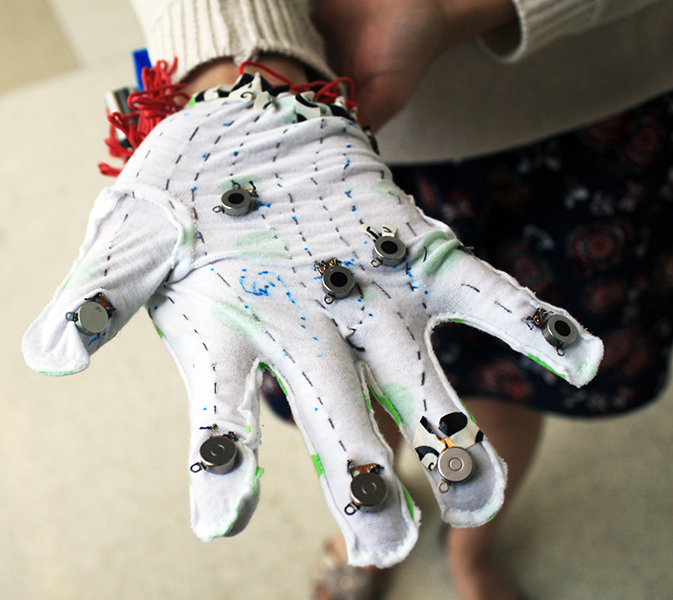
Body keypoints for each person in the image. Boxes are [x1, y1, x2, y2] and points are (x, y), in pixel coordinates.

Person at [123, 1, 673, 598]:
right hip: (308, 145)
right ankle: (371, 523)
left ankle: (473, 546)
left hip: (578, 102)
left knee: (510, 373)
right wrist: (241, 68)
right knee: (340, 378)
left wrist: (456, 9)